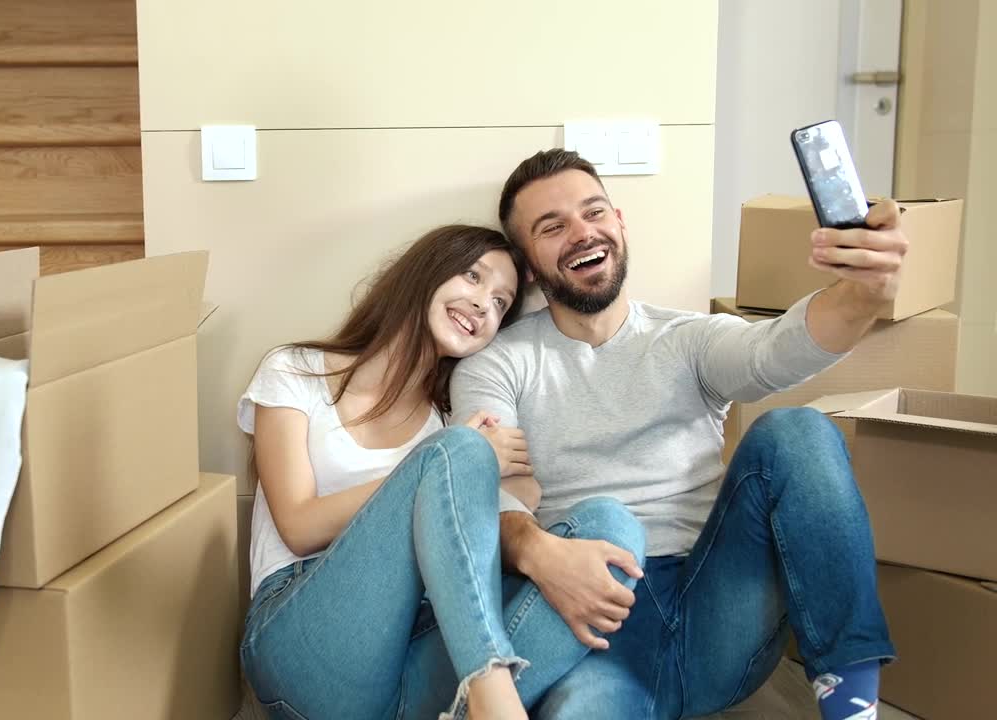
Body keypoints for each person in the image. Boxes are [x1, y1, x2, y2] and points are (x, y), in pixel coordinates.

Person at [443, 149, 901, 720]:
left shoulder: (687, 338)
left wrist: (861, 297)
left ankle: (853, 704)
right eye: (552, 227)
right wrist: (538, 553)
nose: (582, 233)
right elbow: (481, 492)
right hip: (598, 623)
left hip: (717, 604)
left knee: (797, 431)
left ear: (619, 224)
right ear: (529, 266)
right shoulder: (497, 364)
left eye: (594, 212)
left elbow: (777, 352)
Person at [237, 224, 647, 720]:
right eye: (473, 277)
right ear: (427, 271)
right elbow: (298, 526)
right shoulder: (296, 370)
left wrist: (505, 490)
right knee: (460, 450)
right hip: (302, 637)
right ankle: (491, 691)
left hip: (413, 654)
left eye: (500, 303)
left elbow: (485, 532)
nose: (483, 305)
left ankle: (476, 699)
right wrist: (441, 465)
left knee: (611, 527)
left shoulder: (449, 419)